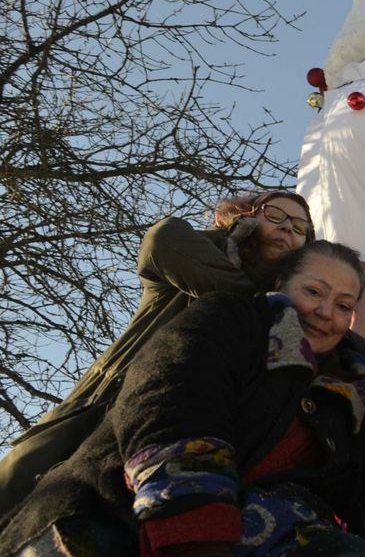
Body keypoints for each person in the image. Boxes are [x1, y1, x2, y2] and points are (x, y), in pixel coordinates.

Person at [0, 240, 365, 557]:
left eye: (344, 304)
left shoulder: (353, 398)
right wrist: (195, 544)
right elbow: (172, 404)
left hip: (261, 553)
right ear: (281, 285)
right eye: (314, 291)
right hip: (114, 519)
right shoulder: (231, 321)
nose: (326, 312)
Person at [0, 191, 317, 514]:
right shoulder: (199, 259)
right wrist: (258, 304)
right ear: (247, 217)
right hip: (90, 419)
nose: (287, 228)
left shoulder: (293, 324)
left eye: (299, 225)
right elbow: (163, 238)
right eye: (274, 215)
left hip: (173, 447)